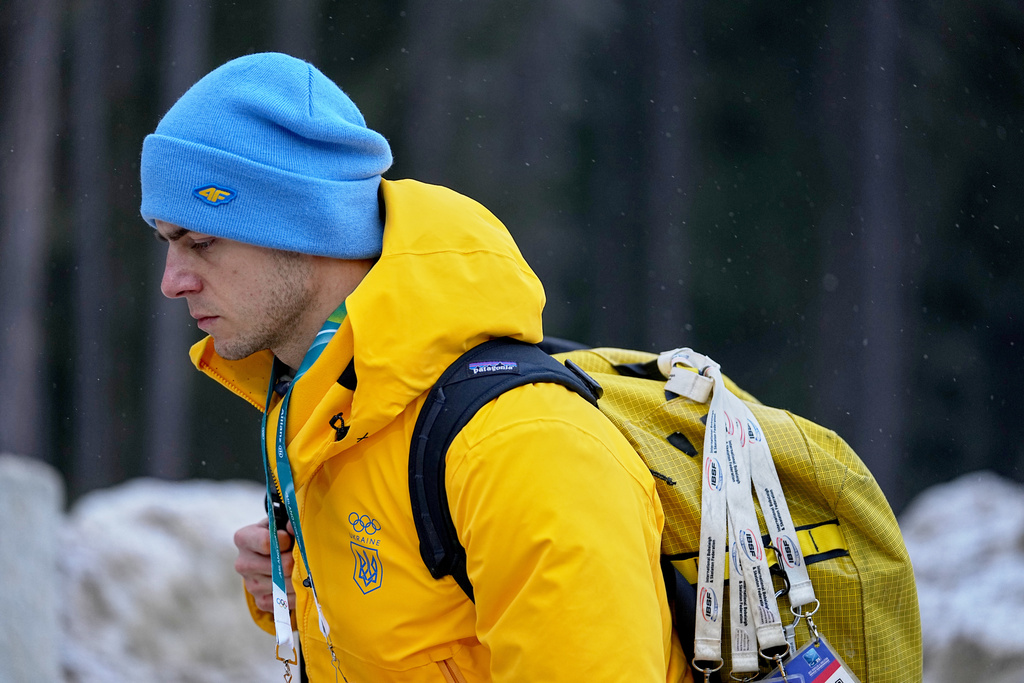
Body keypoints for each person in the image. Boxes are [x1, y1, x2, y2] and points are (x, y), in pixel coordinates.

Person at [140, 52, 688, 682]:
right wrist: (305, 590)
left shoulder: (522, 448)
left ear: (306, 228)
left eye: (201, 242)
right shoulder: (326, 408)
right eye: (168, 243)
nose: (172, 282)